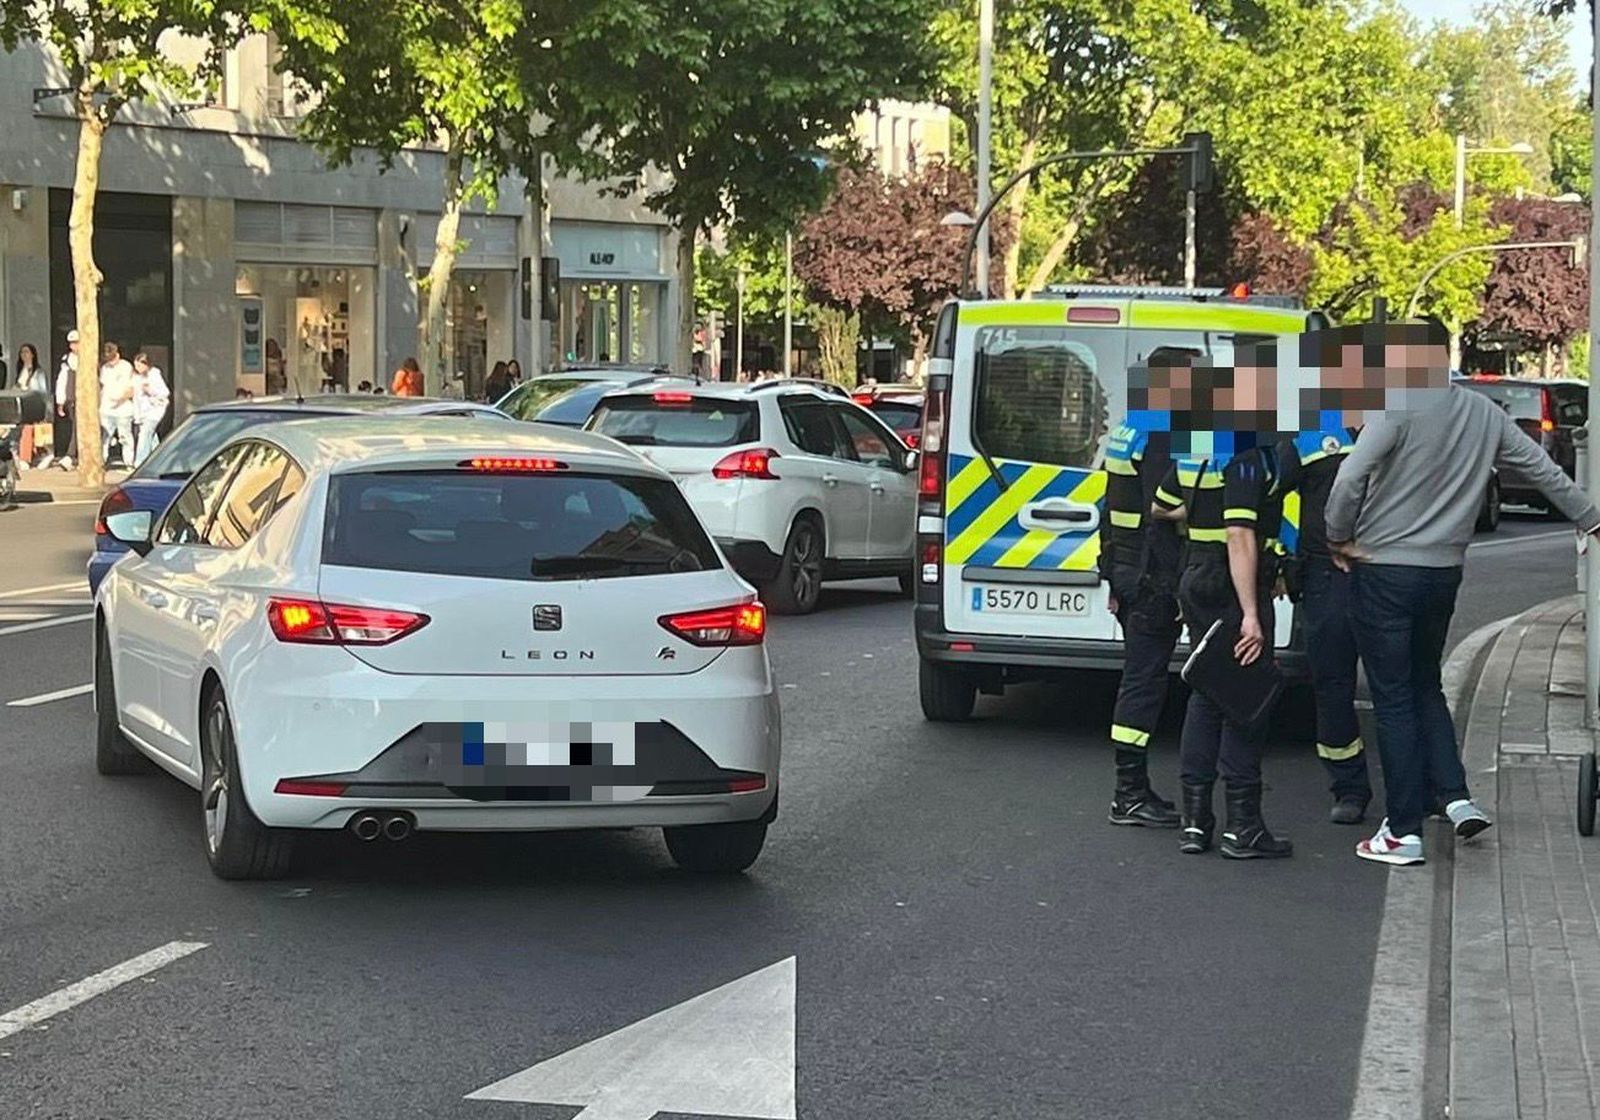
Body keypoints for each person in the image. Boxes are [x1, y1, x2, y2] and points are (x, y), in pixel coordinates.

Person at [1325, 321, 1600, 865]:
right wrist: (1589, 517)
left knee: (1394, 698)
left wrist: (1338, 536)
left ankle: (1401, 831)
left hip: (1383, 570)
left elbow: (1350, 475)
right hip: (1443, 572)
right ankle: (1453, 797)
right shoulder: (1483, 412)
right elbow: (1542, 469)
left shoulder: (1396, 407)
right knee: (1426, 683)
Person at [1155, 353, 1294, 860]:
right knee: (1245, 699)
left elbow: (1158, 504)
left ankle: (1195, 822)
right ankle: (1243, 826)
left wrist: (1195, 514)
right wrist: (1251, 613)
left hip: (1196, 576)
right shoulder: (1246, 456)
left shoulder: (1199, 450)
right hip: (1231, 582)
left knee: (1207, 694)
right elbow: (1239, 535)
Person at [1098, 353, 1189, 829]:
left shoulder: (1130, 428)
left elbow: (1108, 508)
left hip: (1129, 572)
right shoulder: (1162, 435)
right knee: (1144, 683)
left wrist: (1111, 575)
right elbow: (1163, 506)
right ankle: (1129, 793)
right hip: (1155, 577)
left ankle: (1130, 790)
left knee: (1139, 678)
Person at [98, 342, 136, 467]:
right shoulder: (105, 368)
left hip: (123, 408)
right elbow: (102, 386)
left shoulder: (126, 367)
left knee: (125, 435)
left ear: (118, 355)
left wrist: (121, 400)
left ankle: (128, 461)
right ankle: (102, 461)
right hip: (106, 408)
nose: (111, 361)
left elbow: (131, 389)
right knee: (105, 436)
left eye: (113, 358)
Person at [48, 329, 80, 470]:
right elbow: (62, 381)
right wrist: (60, 401)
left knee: (79, 427)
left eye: (76, 343)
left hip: (86, 400)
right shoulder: (66, 360)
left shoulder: (89, 358)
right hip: (71, 399)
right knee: (75, 427)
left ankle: (71, 456)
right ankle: (72, 456)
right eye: (72, 343)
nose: (74, 346)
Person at [131, 352, 169, 468]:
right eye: (136, 366)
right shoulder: (137, 377)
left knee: (145, 434)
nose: (138, 368)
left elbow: (165, 392)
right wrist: (137, 416)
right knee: (151, 437)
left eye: (140, 366)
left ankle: (140, 462)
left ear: (146, 365)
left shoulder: (155, 374)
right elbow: (136, 398)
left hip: (154, 411)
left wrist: (151, 391)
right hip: (143, 411)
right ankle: (160, 459)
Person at [13, 344, 47, 468]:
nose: (24, 355)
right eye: (22, 353)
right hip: (22, 407)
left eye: (27, 352)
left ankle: (25, 458)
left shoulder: (38, 372)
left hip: (34, 405)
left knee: (28, 430)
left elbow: (43, 391)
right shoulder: (21, 370)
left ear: (33, 354)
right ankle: (30, 456)